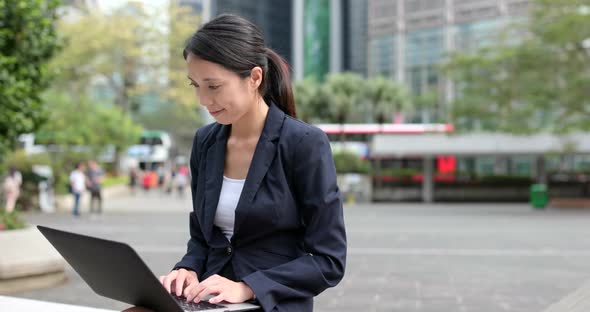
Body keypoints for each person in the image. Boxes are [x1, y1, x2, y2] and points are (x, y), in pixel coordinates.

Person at [125, 14, 346, 312]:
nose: (203, 100)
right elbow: (203, 238)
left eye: (213, 86)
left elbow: (328, 260)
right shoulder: (205, 143)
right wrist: (187, 270)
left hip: (270, 304)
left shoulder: (303, 143)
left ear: (255, 78)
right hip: (210, 300)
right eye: (196, 85)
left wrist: (247, 287)